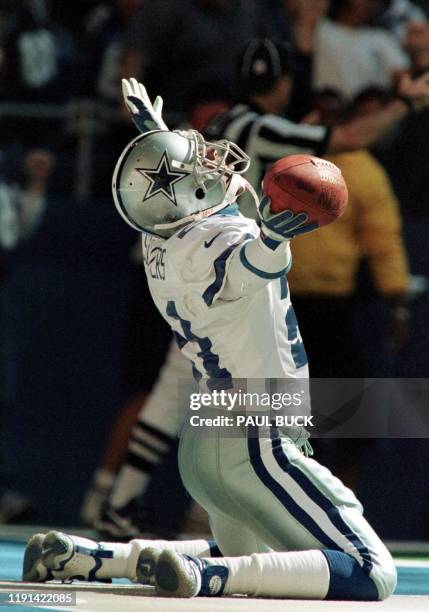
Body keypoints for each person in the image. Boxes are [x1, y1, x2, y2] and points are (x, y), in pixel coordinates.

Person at [22, 79, 398, 601]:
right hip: (256, 434)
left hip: (208, 434)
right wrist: (273, 236)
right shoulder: (225, 240)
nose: (216, 162)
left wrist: (158, 136)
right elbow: (248, 262)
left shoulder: (160, 233)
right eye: (201, 164)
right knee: (371, 572)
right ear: (190, 190)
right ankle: (208, 578)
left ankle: (95, 557)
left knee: (270, 557)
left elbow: (174, 201)